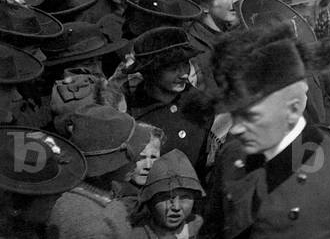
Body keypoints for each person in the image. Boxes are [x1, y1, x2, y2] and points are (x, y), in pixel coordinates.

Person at [204, 25, 330, 238]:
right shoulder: (231, 158)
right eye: (235, 114)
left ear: (293, 109)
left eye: (251, 116)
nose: (237, 127)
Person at [48, 105, 152, 239]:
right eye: (131, 156)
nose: (137, 160)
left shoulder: (94, 194)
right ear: (110, 165)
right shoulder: (93, 225)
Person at [125, 27, 213, 172]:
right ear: (151, 70)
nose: (184, 74)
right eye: (173, 68)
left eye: (185, 65)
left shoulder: (203, 105)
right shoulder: (128, 110)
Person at [129, 150, 205, 239]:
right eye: (166, 197)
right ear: (150, 200)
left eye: (184, 197)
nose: (176, 207)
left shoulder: (202, 230)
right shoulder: (135, 235)